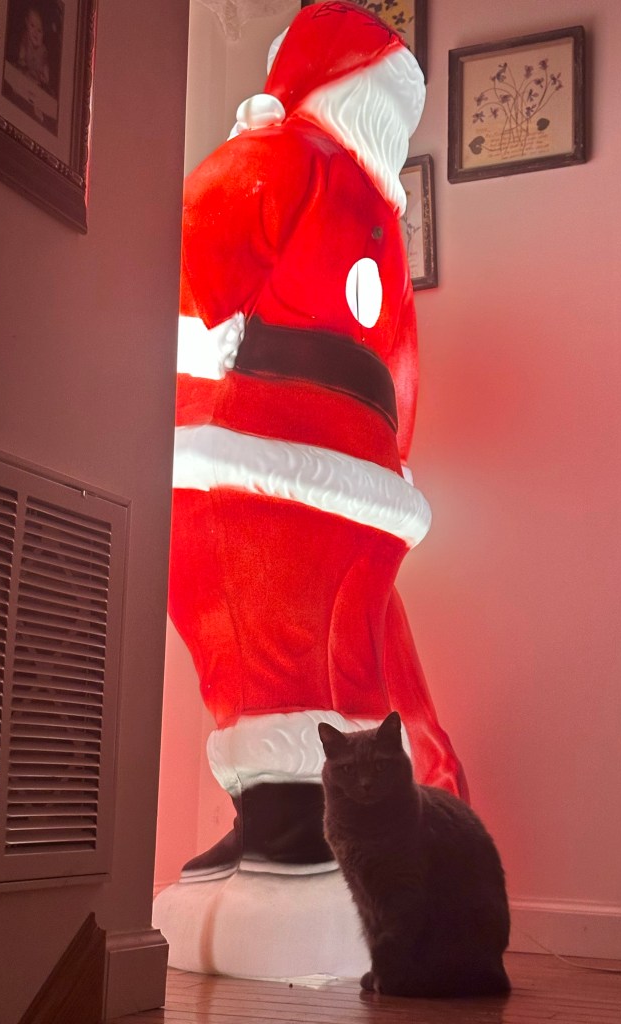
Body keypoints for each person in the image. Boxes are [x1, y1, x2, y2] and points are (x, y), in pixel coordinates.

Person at [170, 1, 466, 879]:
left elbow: (198, 257)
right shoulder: (363, 205)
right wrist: (394, 461)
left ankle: (296, 827)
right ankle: (325, 829)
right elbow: (404, 370)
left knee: (267, 635)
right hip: (343, 467)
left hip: (275, 442)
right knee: (327, 647)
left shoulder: (296, 160)